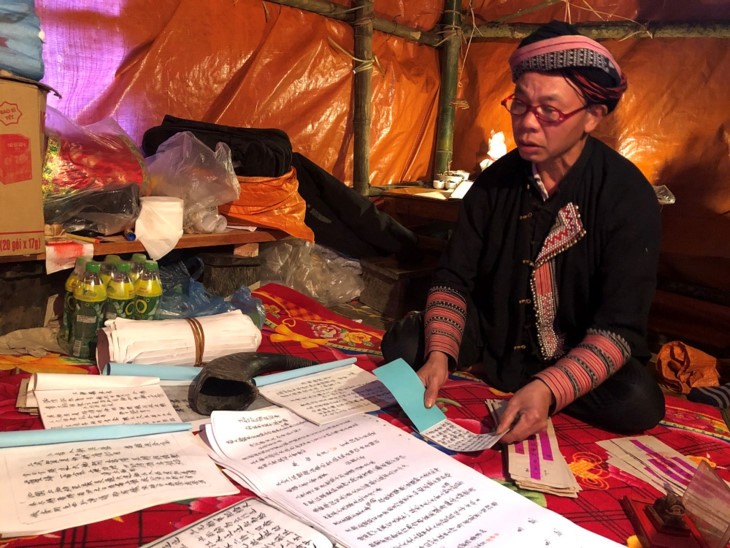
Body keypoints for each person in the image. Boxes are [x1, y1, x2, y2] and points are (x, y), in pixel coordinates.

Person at [381, 20, 665, 444]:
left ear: (592, 116)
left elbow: (620, 329)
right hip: (497, 333)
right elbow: (454, 277)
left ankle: (531, 386)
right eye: (520, 105)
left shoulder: (628, 196)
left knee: (638, 402)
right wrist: (439, 354)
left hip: (575, 347)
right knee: (406, 346)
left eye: (549, 111)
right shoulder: (494, 184)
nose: (528, 124)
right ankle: (473, 365)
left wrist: (550, 388)